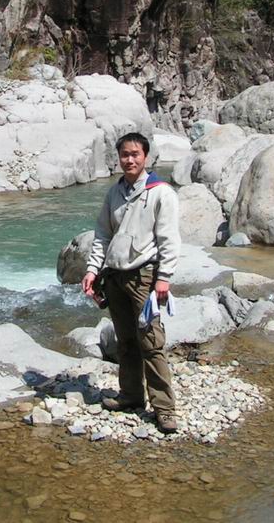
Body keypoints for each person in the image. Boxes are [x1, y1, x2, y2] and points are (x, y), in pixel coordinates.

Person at [81, 131, 180, 434]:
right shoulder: (114, 193)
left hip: (145, 277)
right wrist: (92, 270)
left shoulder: (161, 192)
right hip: (115, 276)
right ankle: (131, 396)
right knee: (125, 342)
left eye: (135, 154)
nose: (129, 160)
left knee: (151, 343)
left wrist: (164, 278)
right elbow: (102, 234)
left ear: (145, 156)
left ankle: (164, 409)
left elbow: (169, 239)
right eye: (125, 154)